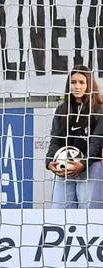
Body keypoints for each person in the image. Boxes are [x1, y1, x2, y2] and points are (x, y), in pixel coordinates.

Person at [45, 65, 103, 209]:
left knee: (88, 215)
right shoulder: (61, 110)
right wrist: (49, 161)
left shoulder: (99, 110)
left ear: (89, 84)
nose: (77, 86)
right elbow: (55, 140)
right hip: (64, 168)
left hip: (90, 169)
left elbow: (97, 141)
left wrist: (83, 164)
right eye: (73, 82)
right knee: (59, 213)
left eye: (81, 82)